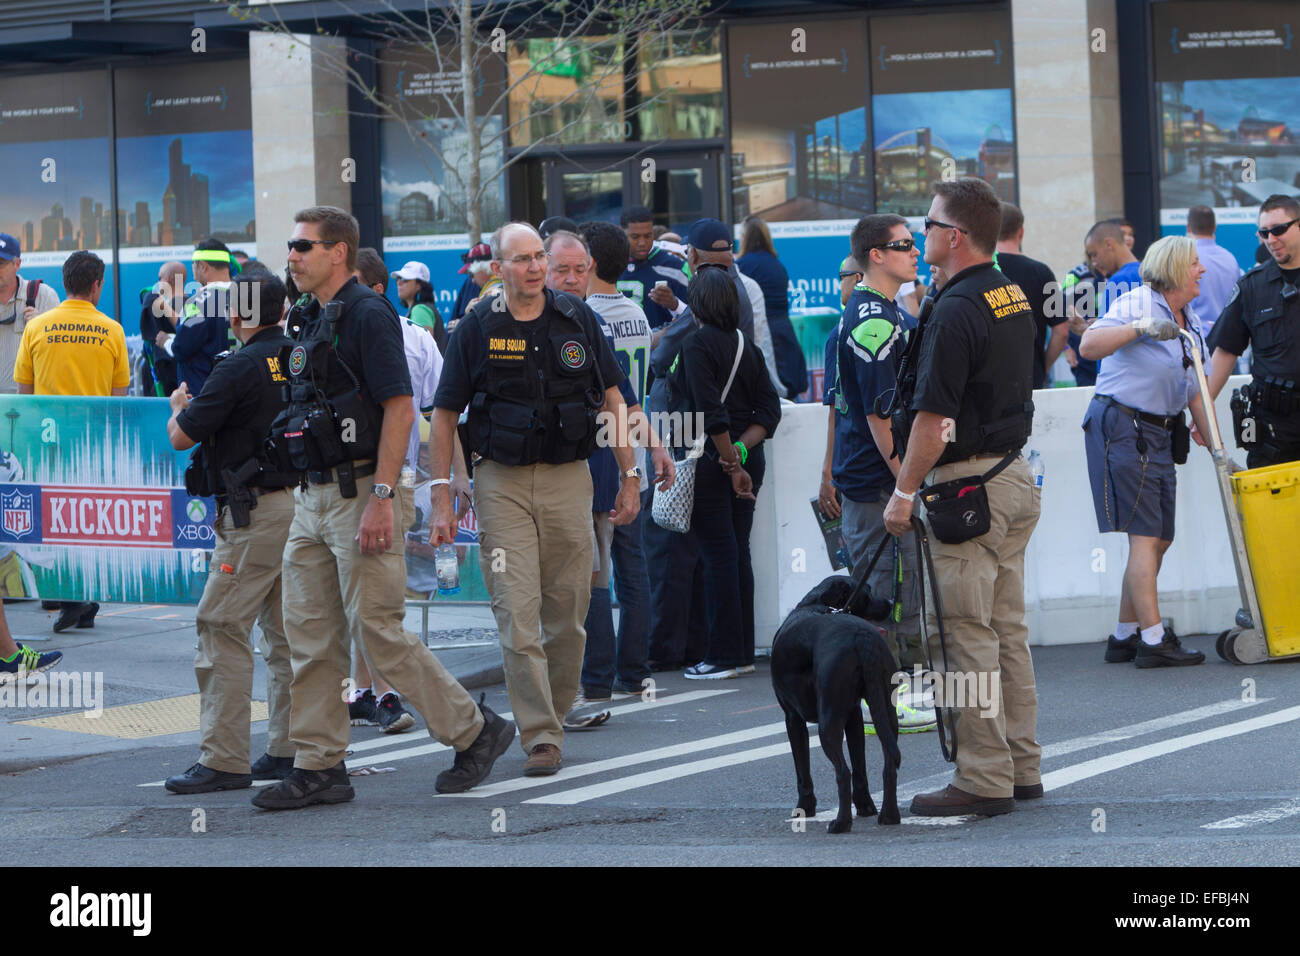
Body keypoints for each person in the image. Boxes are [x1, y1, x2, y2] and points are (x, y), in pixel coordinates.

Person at [253, 206, 515, 810]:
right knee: (310, 636)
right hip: (314, 496)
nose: (291, 256)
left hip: (363, 493)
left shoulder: (371, 314)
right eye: (291, 246)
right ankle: (321, 765)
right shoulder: (312, 314)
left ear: (338, 251)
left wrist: (380, 498)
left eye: (302, 246)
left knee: (379, 631)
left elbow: (402, 409)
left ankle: (476, 731)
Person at [430, 221, 646, 776]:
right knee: (516, 611)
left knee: (568, 611)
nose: (534, 267)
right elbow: (446, 415)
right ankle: (541, 735)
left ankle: (554, 706)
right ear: (498, 268)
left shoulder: (578, 319)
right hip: (500, 482)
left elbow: (613, 399)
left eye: (539, 258)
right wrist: (441, 494)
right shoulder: (477, 326)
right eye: (521, 259)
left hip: (568, 478)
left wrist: (629, 473)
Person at [882, 178, 1041, 818]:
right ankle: (1021, 767)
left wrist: (902, 493)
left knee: (966, 635)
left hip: (966, 488)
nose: (922, 236)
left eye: (928, 225)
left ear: (954, 235)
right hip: (1010, 477)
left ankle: (982, 778)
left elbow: (931, 420)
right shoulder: (1008, 293)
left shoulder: (954, 307)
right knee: (1006, 631)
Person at [162, 270, 300, 793]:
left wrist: (179, 406)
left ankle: (223, 759)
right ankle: (288, 749)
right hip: (302, 510)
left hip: (252, 516)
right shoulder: (300, 356)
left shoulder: (236, 366)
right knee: (287, 636)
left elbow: (182, 436)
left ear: (238, 314)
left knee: (220, 626)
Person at [551, 224, 674, 716]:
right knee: (630, 563)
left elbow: (614, 394)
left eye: (576, 267)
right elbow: (629, 393)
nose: (568, 277)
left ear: (590, 264)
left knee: (596, 567)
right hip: (629, 448)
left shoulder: (584, 316)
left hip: (601, 450)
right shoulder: (636, 314)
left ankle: (596, 677)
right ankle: (633, 668)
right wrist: (654, 447)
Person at [1080, 235, 1212, 666]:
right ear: (1175, 269)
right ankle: (1153, 641)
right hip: (1123, 425)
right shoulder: (1139, 303)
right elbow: (1089, 346)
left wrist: (1215, 442)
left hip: (1155, 430)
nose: (1202, 271)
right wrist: (1139, 329)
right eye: (1195, 264)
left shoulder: (1187, 318)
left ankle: (1125, 634)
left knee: (1159, 538)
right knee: (1146, 535)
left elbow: (1195, 391)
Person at [822, 214, 931, 730]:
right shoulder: (873, 318)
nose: (916, 251)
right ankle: (878, 702)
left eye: (915, 242)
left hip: (876, 479)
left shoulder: (887, 309)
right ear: (876, 256)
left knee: (899, 592)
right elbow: (878, 415)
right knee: (882, 596)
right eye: (904, 244)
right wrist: (906, 483)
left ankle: (895, 696)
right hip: (874, 483)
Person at [664, 266, 781, 678]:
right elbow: (770, 410)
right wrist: (741, 454)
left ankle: (723, 655)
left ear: (697, 305)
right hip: (746, 458)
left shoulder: (696, 345)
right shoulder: (745, 344)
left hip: (709, 461)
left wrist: (729, 460)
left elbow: (709, 412)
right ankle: (742, 650)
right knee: (737, 553)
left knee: (717, 556)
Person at [14, 250, 126, 634]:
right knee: (88, 519)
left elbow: (23, 392)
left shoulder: (36, 327)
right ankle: (84, 597)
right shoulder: (112, 330)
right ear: (97, 286)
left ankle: (73, 599)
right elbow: (119, 399)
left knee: (54, 522)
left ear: (64, 284)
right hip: (92, 445)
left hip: (47, 443)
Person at [1206, 194, 1300, 468]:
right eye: (1264, 232)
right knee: (1271, 510)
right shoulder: (1251, 287)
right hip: (1273, 428)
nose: (1271, 239)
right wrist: (1203, 411)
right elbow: (1226, 351)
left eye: (1279, 229)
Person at [996, 203, 1067, 388]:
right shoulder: (1043, 273)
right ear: (1021, 232)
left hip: (986, 382)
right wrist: (1042, 367)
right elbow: (1061, 331)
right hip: (1030, 378)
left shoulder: (979, 270)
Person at [736, 214, 808, 398]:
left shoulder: (743, 266)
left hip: (763, 335)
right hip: (785, 333)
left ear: (745, 238)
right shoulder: (777, 265)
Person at [163, 239, 237, 397]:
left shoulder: (197, 302)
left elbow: (181, 348)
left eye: (193, 264)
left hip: (204, 398)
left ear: (203, 266)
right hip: (241, 395)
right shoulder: (250, 297)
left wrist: (166, 342)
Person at [0, 233, 60, 395]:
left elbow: (63, 352)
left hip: (30, 405)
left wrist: (43, 327)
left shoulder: (43, 296)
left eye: (1, 263)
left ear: (17, 264)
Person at [621, 205, 689, 329]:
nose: (642, 243)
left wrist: (674, 304)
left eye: (647, 236)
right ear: (622, 233)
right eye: (635, 237)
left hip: (662, 347)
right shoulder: (609, 264)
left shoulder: (675, 266)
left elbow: (696, 317)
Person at [1185, 205, 1240, 336]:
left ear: (1188, 228)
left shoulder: (1186, 259)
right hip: (1227, 338)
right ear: (1215, 227)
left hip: (1197, 339)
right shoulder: (1231, 259)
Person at [139, 261, 185, 397]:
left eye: (160, 278)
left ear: (168, 280)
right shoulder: (196, 305)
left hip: (162, 384)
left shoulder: (153, 301)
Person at [392, 260, 447, 352]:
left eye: (405, 279)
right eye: (398, 278)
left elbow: (424, 350)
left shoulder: (420, 310)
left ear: (419, 285)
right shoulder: (420, 308)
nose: (399, 283)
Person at [451, 242, 493, 324]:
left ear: (486, 269)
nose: (472, 280)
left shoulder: (506, 286)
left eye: (471, 274)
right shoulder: (471, 283)